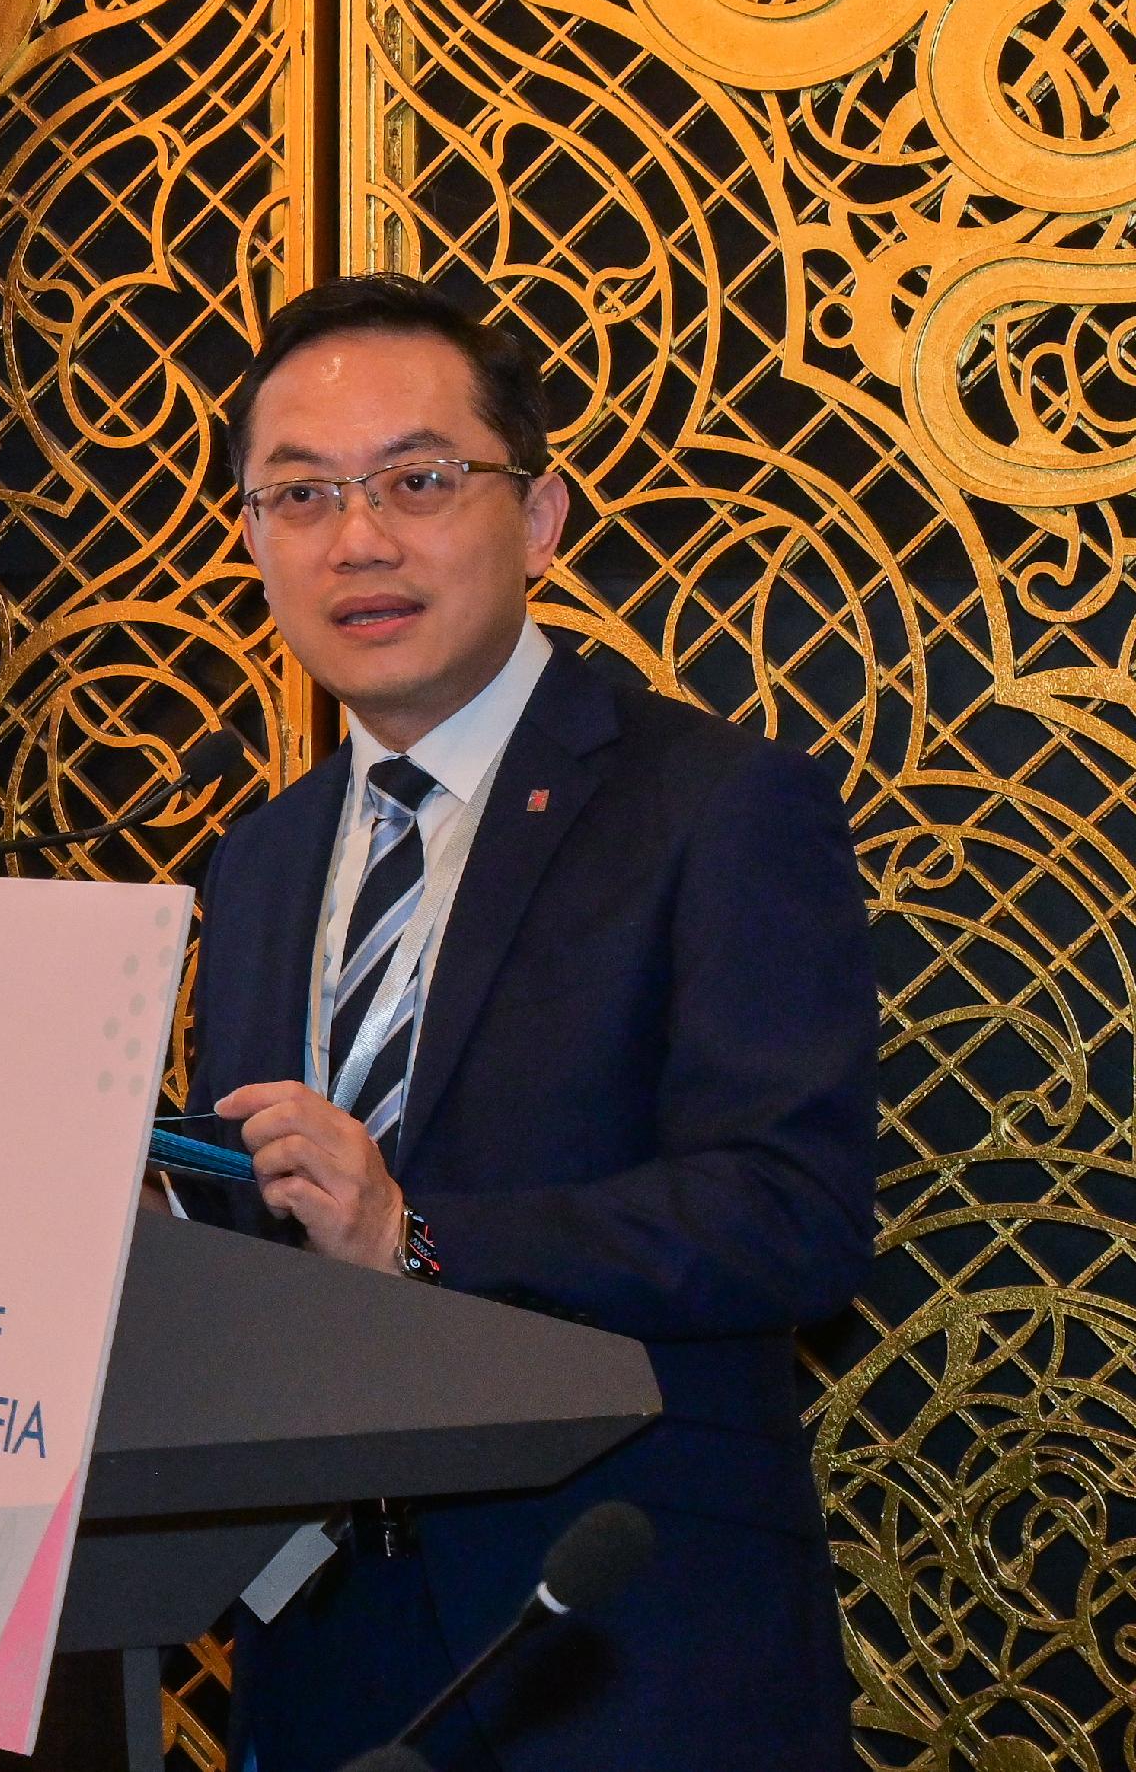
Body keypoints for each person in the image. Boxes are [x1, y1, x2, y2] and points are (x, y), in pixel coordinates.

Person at [184, 276, 873, 1769]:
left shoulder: (717, 805)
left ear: (541, 513)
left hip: (623, 1645)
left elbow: (795, 1216)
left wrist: (423, 1232)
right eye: (298, 493)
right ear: (251, 535)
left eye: (419, 480)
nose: (358, 538)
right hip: (321, 1665)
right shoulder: (254, 863)